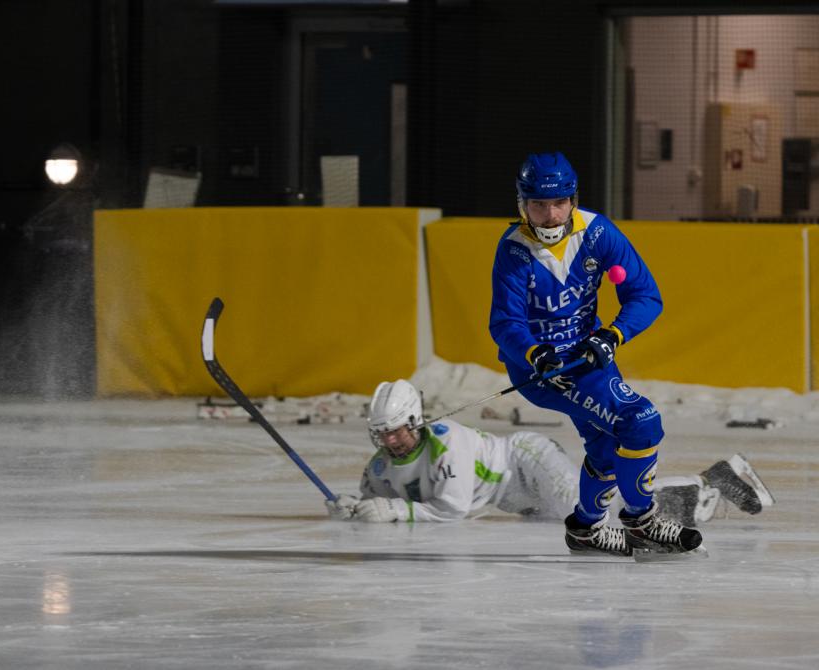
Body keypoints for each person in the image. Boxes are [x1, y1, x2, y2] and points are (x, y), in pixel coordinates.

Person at [488, 151, 697, 555]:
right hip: (544, 372)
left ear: (573, 200)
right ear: (522, 204)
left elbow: (645, 296)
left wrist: (613, 335)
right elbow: (505, 324)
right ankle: (642, 522)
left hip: (590, 359)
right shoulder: (514, 251)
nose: (550, 215)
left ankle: (585, 529)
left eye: (559, 203)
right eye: (538, 205)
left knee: (605, 447)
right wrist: (535, 354)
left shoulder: (599, 233)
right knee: (641, 421)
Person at [325, 380, 775, 559]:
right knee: (605, 506)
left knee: (594, 510)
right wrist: (353, 507)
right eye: (380, 432)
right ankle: (709, 484)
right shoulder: (382, 464)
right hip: (515, 499)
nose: (389, 440)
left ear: (415, 421)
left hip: (527, 462)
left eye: (396, 430)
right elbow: (373, 498)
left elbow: (452, 509)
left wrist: (394, 512)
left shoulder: (447, 444)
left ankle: (709, 484)